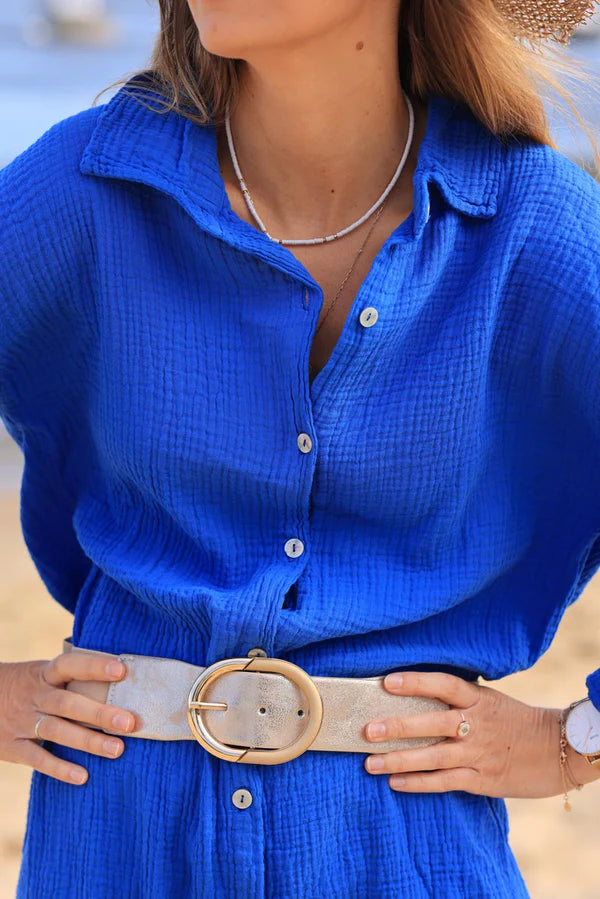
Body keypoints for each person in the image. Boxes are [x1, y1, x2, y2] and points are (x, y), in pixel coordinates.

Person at [1, 1, 600, 896]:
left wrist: (575, 738)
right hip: (114, 844)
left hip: (402, 856)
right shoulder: (84, 190)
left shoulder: (534, 228)